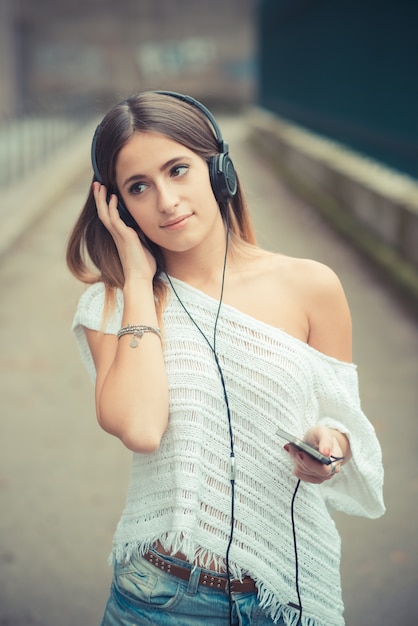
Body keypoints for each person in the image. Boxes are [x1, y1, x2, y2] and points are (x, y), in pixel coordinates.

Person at [66, 91, 385, 626]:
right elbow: (141, 428)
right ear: (117, 207)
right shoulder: (111, 305)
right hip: (160, 598)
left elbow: (340, 416)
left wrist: (332, 443)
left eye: (178, 169)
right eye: (138, 187)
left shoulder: (311, 285)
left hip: (283, 596)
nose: (166, 200)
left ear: (221, 171)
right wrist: (139, 281)